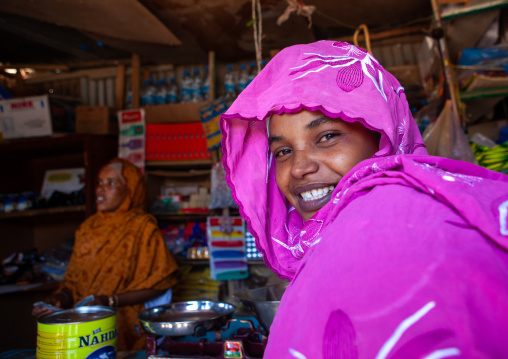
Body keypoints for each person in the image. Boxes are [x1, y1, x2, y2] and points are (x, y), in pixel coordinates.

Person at [220, 41, 508, 358]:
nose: (300, 168)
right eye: (283, 151)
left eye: (327, 136)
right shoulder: (402, 212)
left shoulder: (379, 223)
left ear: (380, 135)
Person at [32, 158, 179, 351]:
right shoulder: (87, 228)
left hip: (125, 327)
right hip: (82, 327)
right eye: (99, 183)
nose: (101, 189)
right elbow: (74, 283)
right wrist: (60, 298)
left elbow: (161, 284)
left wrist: (110, 301)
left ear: (130, 189)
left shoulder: (142, 227)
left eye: (111, 183)